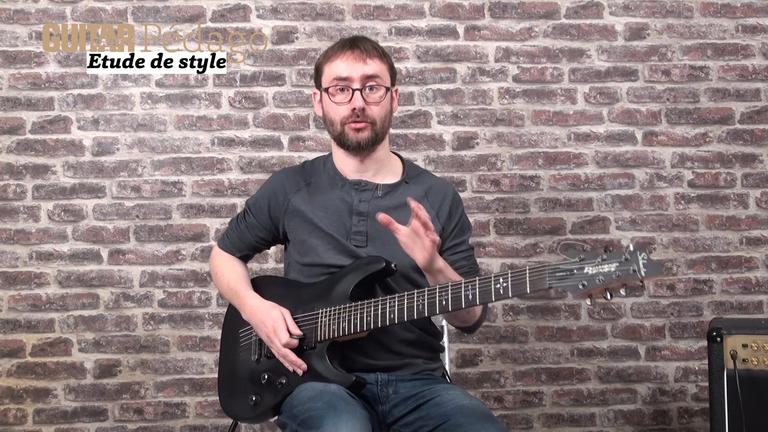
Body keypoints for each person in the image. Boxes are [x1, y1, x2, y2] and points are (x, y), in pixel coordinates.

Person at [210, 35, 504, 432]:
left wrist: (434, 265)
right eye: (340, 89)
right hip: (314, 384)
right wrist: (254, 308)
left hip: (418, 383)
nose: (357, 102)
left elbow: (468, 318)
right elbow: (224, 255)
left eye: (372, 87)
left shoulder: (437, 195)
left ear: (393, 98)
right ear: (319, 101)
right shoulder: (290, 188)